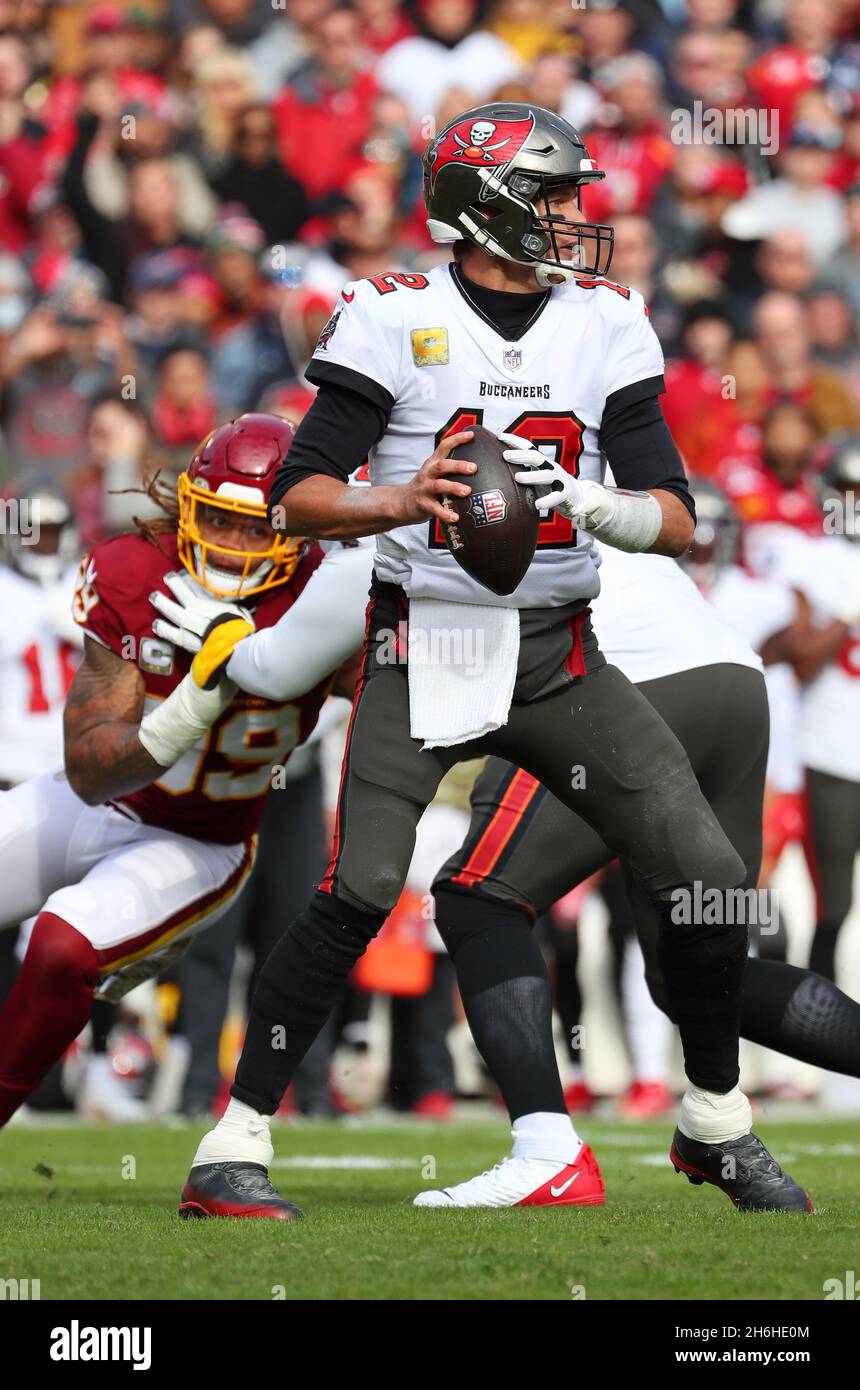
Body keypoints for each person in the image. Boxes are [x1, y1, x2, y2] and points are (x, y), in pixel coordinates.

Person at [175, 103, 808, 1219]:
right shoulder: (389, 316)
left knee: (708, 883)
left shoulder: (605, 320)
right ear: (485, 204)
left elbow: (677, 510)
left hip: (559, 654)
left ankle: (713, 1119)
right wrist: (395, 499)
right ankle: (233, 1138)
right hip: (425, 643)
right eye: (553, 195)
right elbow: (298, 492)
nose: (574, 217)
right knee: (360, 887)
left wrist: (610, 511)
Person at [0, 413, 341, 1128]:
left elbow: (399, 699)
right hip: (98, 805)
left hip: (199, 843)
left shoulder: (322, 594)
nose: (235, 546)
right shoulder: (133, 568)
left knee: (63, 945)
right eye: (219, 521)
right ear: (187, 507)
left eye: (258, 528)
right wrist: (188, 708)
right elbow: (91, 772)